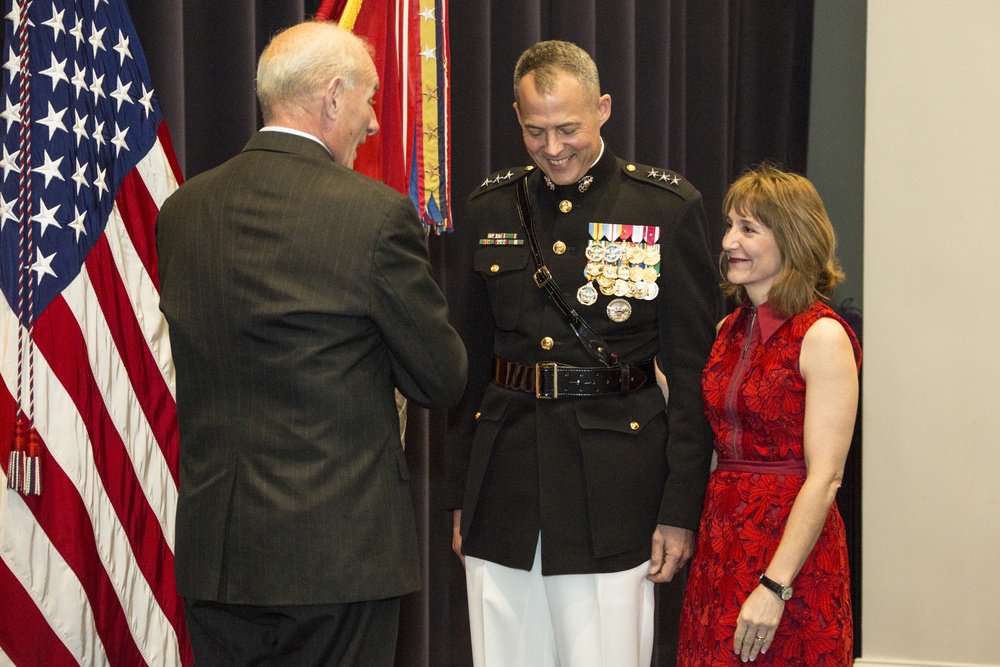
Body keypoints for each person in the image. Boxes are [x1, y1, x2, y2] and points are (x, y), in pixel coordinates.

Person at [156, 21, 467, 666]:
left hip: (219, 559)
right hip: (337, 560)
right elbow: (441, 376)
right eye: (370, 98)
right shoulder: (374, 216)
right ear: (331, 97)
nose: (376, 122)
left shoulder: (183, 212)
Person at [447, 40, 719, 666]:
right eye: (534, 131)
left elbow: (691, 372)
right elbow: (469, 363)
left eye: (567, 127)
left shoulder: (663, 208)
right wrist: (464, 495)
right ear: (516, 117)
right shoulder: (492, 205)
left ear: (603, 109)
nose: (552, 147)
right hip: (505, 485)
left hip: (613, 487)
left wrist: (680, 509)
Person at [676, 164, 861, 665]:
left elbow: (825, 478)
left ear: (793, 240)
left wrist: (775, 587)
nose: (729, 240)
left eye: (749, 228)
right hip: (722, 541)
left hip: (792, 557)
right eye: (730, 224)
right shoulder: (727, 328)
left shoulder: (823, 336)